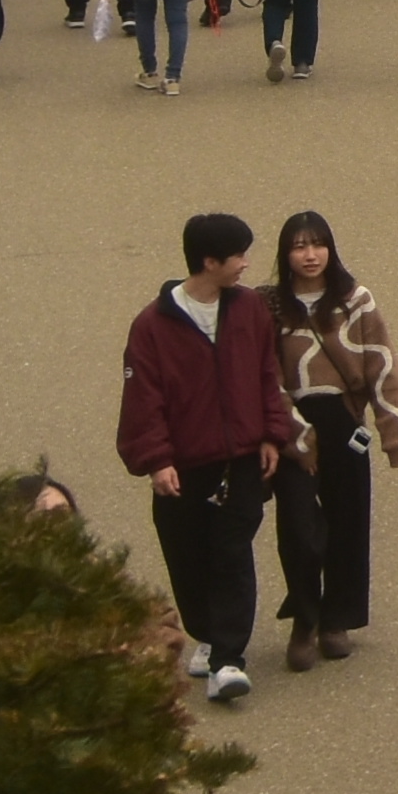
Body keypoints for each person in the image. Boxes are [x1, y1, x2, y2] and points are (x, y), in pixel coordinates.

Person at [115, 209, 300, 705]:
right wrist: (157, 460)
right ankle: (209, 634)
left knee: (232, 553)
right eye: (238, 255)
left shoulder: (248, 311)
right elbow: (144, 400)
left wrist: (269, 434)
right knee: (188, 557)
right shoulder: (151, 327)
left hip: (239, 460)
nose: (246, 264)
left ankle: (228, 660)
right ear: (209, 261)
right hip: (183, 466)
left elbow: (266, 373)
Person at [266, 208, 398, 674]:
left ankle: (337, 620)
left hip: (344, 421)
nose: (309, 255)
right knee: (299, 529)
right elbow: (262, 376)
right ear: (285, 253)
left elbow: (382, 367)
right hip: (292, 427)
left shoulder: (356, 301)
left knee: (349, 523)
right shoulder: (268, 307)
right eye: (299, 246)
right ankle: (304, 621)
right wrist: (291, 433)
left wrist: (397, 435)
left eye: (317, 244)